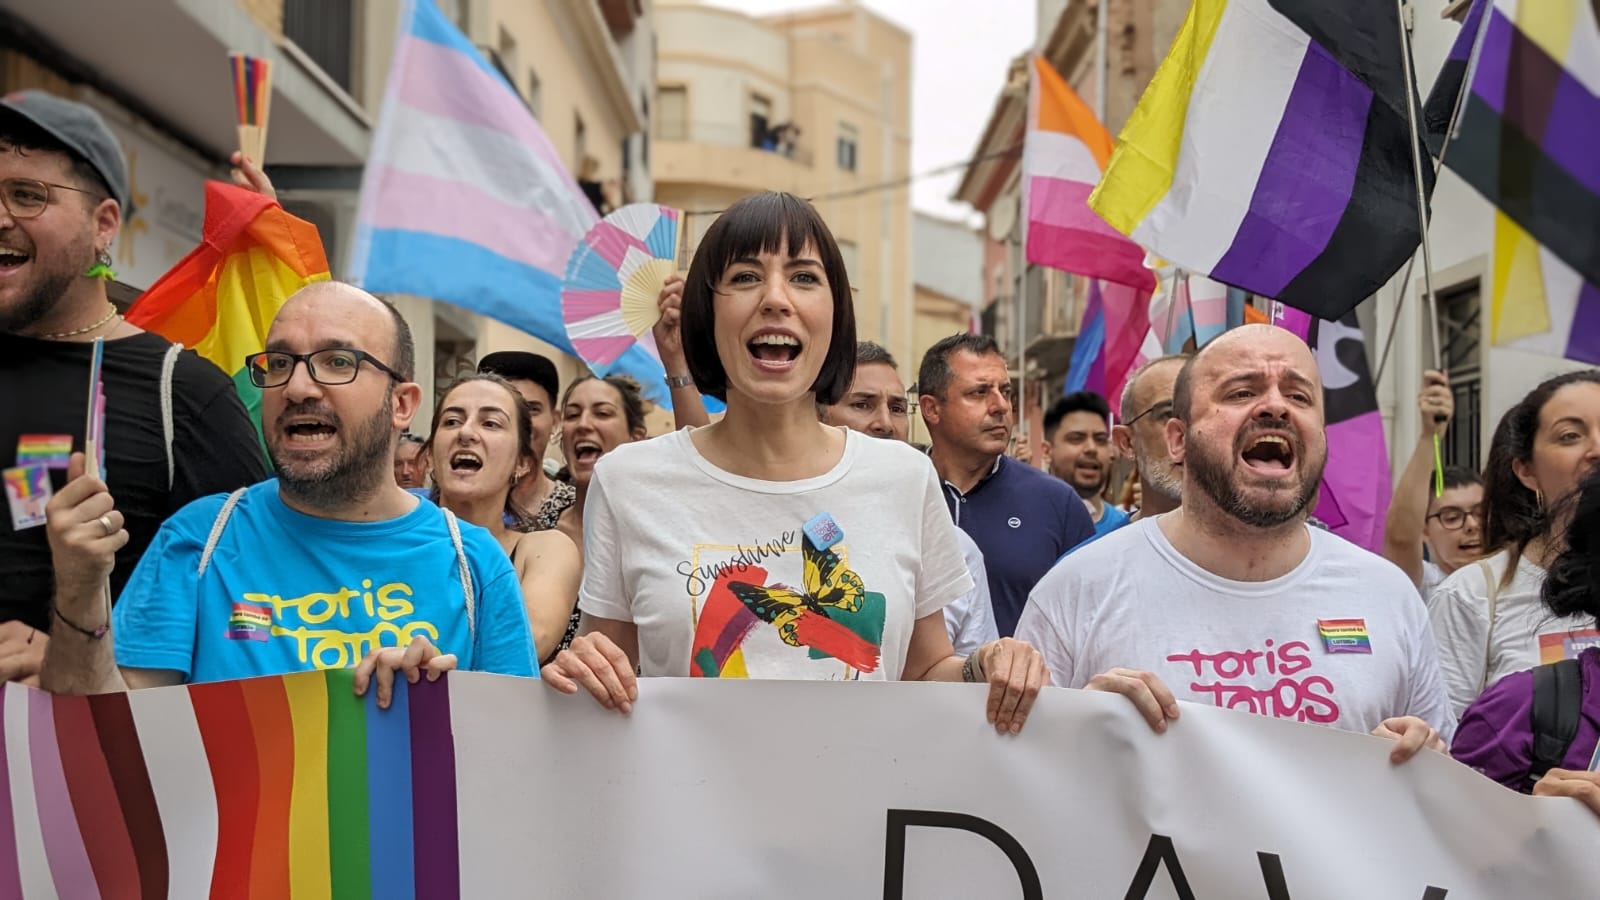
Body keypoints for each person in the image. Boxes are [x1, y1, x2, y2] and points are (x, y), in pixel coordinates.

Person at [542, 192, 1046, 734]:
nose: (775, 299)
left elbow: (922, 672)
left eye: (804, 277)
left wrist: (986, 665)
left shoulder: (904, 477)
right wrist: (579, 670)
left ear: (834, 313)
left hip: (860, 808)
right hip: (690, 811)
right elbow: (608, 678)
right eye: (744, 277)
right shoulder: (629, 481)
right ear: (705, 313)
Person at [39, 281, 537, 700]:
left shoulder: (474, 564)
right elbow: (102, 744)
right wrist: (81, 593)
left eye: (338, 361)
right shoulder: (198, 539)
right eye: (279, 363)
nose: (297, 387)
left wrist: (441, 708)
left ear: (402, 404)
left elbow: (512, 765)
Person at [1016, 324, 1451, 756]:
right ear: (1178, 440)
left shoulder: (1386, 595)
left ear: (1321, 436)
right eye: (1241, 392)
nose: (1276, 407)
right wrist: (1073, 734)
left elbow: (1441, 793)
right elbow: (1019, 785)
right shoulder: (1077, 591)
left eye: (1299, 396)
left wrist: (1425, 761)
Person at [0, 91, 266, 682]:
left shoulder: (186, 395)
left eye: (27, 194)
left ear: (104, 225)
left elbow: (255, 609)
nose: (0, 216)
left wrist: (80, 662)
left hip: (89, 760)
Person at [1429, 371, 1600, 719]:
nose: (1597, 450)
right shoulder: (1470, 595)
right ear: (1526, 471)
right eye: (1570, 436)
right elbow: (1442, 753)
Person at [821, 340, 998, 656]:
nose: (886, 424)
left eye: (898, 409)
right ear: (818, 417)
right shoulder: (795, 528)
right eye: (862, 404)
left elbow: (967, 684)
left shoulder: (956, 548)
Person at [917, 333, 1094, 637]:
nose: (1000, 406)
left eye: (1006, 391)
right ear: (932, 409)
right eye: (979, 392)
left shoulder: (1058, 503)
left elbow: (1090, 623)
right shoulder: (902, 493)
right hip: (905, 685)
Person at [425, 373, 582, 665]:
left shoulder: (545, 549)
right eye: (451, 421)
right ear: (431, 455)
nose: (467, 433)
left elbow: (526, 643)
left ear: (522, 463)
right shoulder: (395, 540)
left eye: (491, 423)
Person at [552, 373, 650, 655]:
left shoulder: (658, 534)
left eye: (602, 413)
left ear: (636, 438)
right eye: (572, 415)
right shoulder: (536, 529)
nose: (583, 424)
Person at [1382, 370, 1484, 598]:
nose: (1471, 525)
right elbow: (1400, 539)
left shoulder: (1515, 578)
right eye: (1451, 517)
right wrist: (1431, 435)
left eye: (1481, 512)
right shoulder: (1423, 586)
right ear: (1425, 530)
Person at [476, 350, 574, 531]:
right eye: (502, 410)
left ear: (555, 421)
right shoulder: (456, 503)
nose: (519, 421)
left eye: (532, 409)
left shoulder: (575, 510)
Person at [1041, 391, 1129, 538]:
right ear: (1047, 451)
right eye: (1076, 438)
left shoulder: (1126, 530)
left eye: (1100, 439)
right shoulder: (1024, 523)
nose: (1091, 449)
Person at [1111, 355, 1188, 521]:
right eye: (1169, 414)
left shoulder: (1256, 544)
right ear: (1126, 442)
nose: (1191, 431)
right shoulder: (1102, 547)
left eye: (1202, 413)